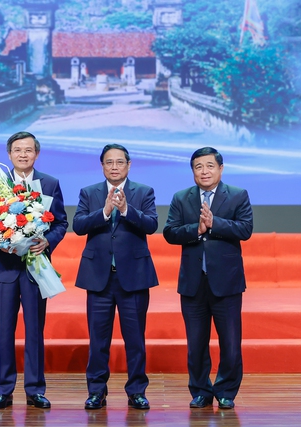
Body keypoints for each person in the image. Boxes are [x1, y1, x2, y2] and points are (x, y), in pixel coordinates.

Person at [163, 147, 253, 410]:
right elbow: (170, 232)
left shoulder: (237, 195)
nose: (204, 171)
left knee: (231, 343)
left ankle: (226, 391)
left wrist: (215, 224)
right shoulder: (182, 198)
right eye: (198, 166)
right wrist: (197, 229)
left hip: (226, 282)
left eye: (210, 166)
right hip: (193, 283)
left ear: (220, 169)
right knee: (196, 344)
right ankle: (201, 391)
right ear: (192, 171)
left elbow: (245, 229)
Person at [72, 144, 158, 411]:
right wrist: (105, 211)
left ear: (129, 165)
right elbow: (79, 225)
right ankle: (96, 391)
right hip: (99, 277)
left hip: (133, 277)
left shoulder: (143, 192)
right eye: (109, 162)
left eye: (120, 162)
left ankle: (137, 391)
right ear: (102, 166)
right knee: (98, 340)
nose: (114, 167)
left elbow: (152, 225)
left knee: (135, 340)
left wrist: (126, 210)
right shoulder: (89, 192)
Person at [0, 131, 68, 410]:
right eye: (18, 150)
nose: (23, 155)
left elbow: (61, 223)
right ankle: (3, 390)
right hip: (5, 267)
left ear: (36, 154)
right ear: (9, 154)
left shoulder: (50, 183)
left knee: (35, 330)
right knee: (4, 331)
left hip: (36, 266)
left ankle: (35, 389)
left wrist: (48, 241)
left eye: (28, 150)